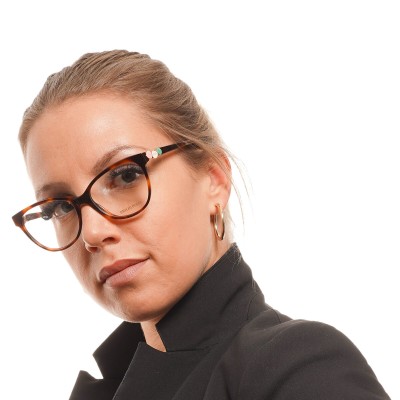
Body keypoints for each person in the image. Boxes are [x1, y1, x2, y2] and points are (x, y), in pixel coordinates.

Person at [12, 50, 390, 400]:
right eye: (59, 207)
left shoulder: (298, 366)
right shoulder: (109, 389)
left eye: (126, 176)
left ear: (214, 180)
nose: (93, 233)